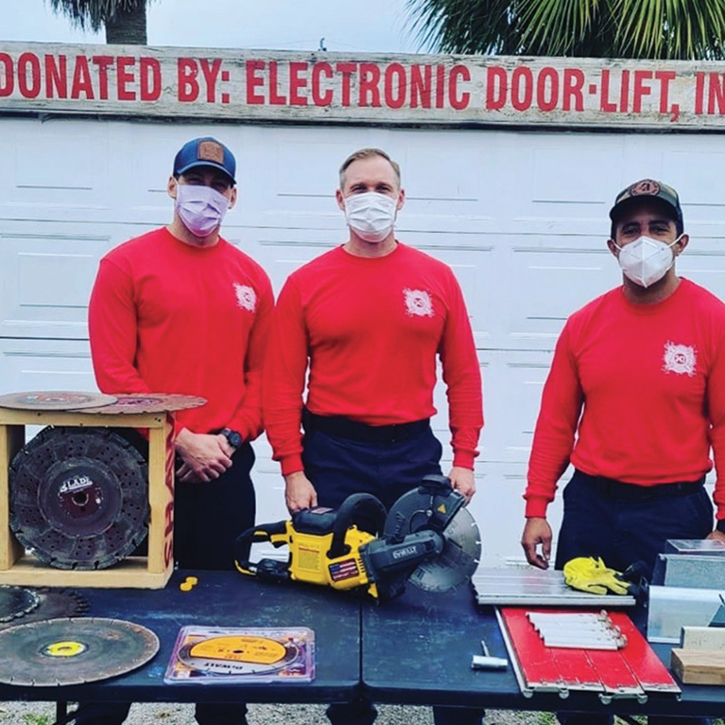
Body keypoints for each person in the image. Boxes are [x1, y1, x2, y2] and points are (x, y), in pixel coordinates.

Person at [264, 147, 485, 725]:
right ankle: (351, 712)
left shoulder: (436, 279)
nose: (372, 198)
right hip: (334, 455)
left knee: (433, 588)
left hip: (414, 454)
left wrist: (465, 457)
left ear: (401, 199)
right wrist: (292, 467)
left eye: (383, 188)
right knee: (339, 595)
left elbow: (462, 374)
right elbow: (282, 385)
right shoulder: (307, 283)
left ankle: (451, 705)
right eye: (359, 188)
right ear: (340, 200)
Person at [83, 137, 273, 725]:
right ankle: (100, 711)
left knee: (222, 614)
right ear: (172, 186)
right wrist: (180, 436)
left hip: (224, 468)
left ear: (234, 195)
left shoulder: (252, 277)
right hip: (141, 469)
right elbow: (115, 371)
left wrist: (229, 439)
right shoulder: (125, 264)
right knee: (125, 612)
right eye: (195, 181)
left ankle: (222, 715)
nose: (206, 194)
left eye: (218, 184)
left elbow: (264, 377)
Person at [520, 178, 725, 725]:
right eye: (630, 229)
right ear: (613, 246)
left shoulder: (713, 321)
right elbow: (555, 424)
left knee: (672, 679)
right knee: (579, 666)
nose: (644, 240)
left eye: (658, 228)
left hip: (675, 515)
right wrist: (536, 508)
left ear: (681, 242)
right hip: (591, 512)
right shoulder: (584, 325)